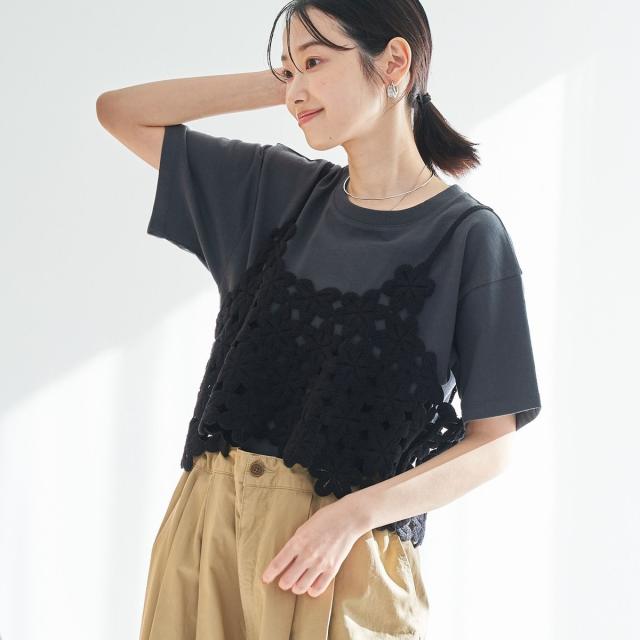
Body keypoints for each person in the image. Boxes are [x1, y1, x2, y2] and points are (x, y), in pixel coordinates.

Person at [96, 1, 542, 638]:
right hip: (208, 541)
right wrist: (290, 81)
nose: (296, 89)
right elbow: (120, 111)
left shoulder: (467, 238)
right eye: (289, 68)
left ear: (394, 61)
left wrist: (355, 514)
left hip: (338, 562)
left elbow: (494, 442)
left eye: (314, 62)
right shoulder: (276, 193)